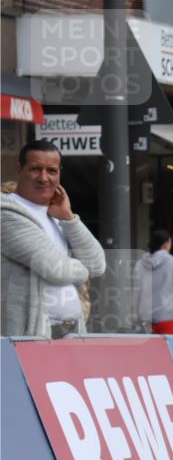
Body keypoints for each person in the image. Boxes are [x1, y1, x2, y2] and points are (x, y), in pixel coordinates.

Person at [1, 140, 105, 338]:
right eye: (35, 169)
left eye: (51, 171)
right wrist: (85, 270)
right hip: (29, 336)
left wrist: (69, 219)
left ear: (59, 174)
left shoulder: (58, 216)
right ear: (19, 170)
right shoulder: (5, 213)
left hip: (71, 333)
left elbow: (98, 265)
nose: (43, 177)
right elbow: (55, 268)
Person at [132, 230, 173, 334]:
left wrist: (134, 316)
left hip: (145, 319)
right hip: (168, 317)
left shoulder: (139, 264)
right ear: (166, 244)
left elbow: (136, 292)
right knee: (167, 344)